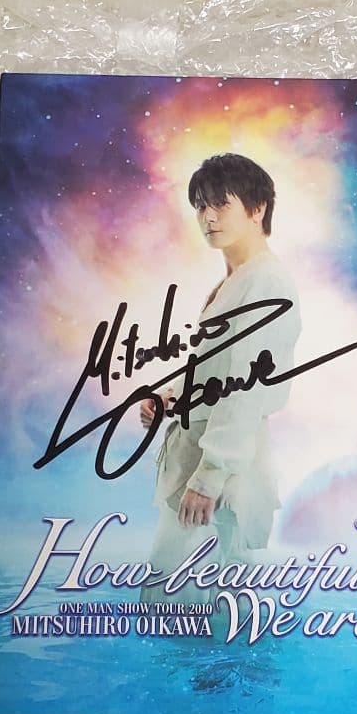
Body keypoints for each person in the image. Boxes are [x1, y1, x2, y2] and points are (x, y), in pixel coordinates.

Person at [139, 153, 301, 602]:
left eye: (220, 204)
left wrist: (209, 477)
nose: (208, 217)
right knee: (175, 603)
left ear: (257, 209)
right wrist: (173, 397)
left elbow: (247, 390)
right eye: (200, 206)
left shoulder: (265, 283)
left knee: (207, 606)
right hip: (205, 460)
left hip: (225, 473)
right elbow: (222, 371)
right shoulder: (238, 280)